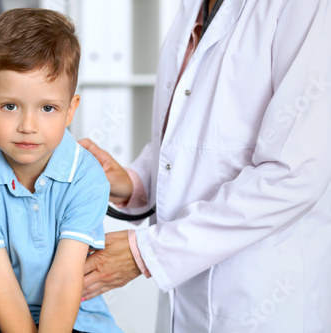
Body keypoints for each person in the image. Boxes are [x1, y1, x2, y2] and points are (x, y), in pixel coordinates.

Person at [80, 0, 331, 332]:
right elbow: (192, 132)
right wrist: (134, 181)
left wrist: (149, 252)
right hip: (185, 299)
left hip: (260, 298)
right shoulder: (195, 6)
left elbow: (295, 172)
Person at [0, 8, 122, 333]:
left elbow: (66, 276)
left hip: (76, 315)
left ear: (70, 111)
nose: (28, 126)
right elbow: (1, 285)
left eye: (48, 108)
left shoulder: (85, 176)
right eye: (10, 106)